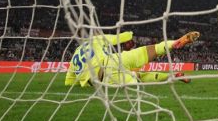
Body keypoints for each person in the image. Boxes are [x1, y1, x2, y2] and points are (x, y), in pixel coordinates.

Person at [65, 31, 199, 87]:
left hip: (102, 77)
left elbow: (69, 82)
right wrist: (129, 35)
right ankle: (175, 43)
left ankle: (171, 76)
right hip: (114, 59)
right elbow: (121, 37)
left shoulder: (74, 58)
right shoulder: (95, 39)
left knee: (138, 79)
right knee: (150, 50)